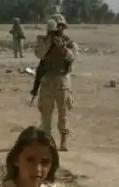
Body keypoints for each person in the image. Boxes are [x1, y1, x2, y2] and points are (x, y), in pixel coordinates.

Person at [34, 14, 77, 152]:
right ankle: (47, 141)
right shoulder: (43, 40)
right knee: (45, 113)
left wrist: (62, 47)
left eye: (62, 27)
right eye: (57, 27)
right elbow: (39, 54)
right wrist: (49, 41)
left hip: (62, 80)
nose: (60, 30)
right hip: (47, 79)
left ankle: (64, 139)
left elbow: (72, 57)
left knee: (63, 112)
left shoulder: (68, 43)